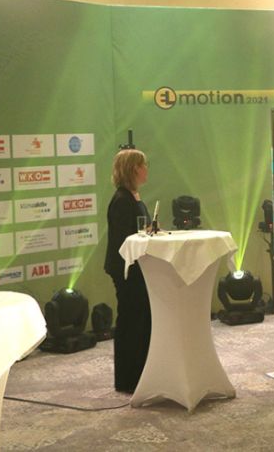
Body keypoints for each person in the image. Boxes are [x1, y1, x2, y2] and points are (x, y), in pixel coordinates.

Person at [103, 149, 151, 393]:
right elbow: (126, 238)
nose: (146, 169)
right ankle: (128, 379)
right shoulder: (122, 200)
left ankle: (141, 372)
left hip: (135, 268)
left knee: (140, 319)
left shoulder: (132, 196)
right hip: (126, 269)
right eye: (143, 165)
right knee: (131, 320)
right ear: (133, 169)